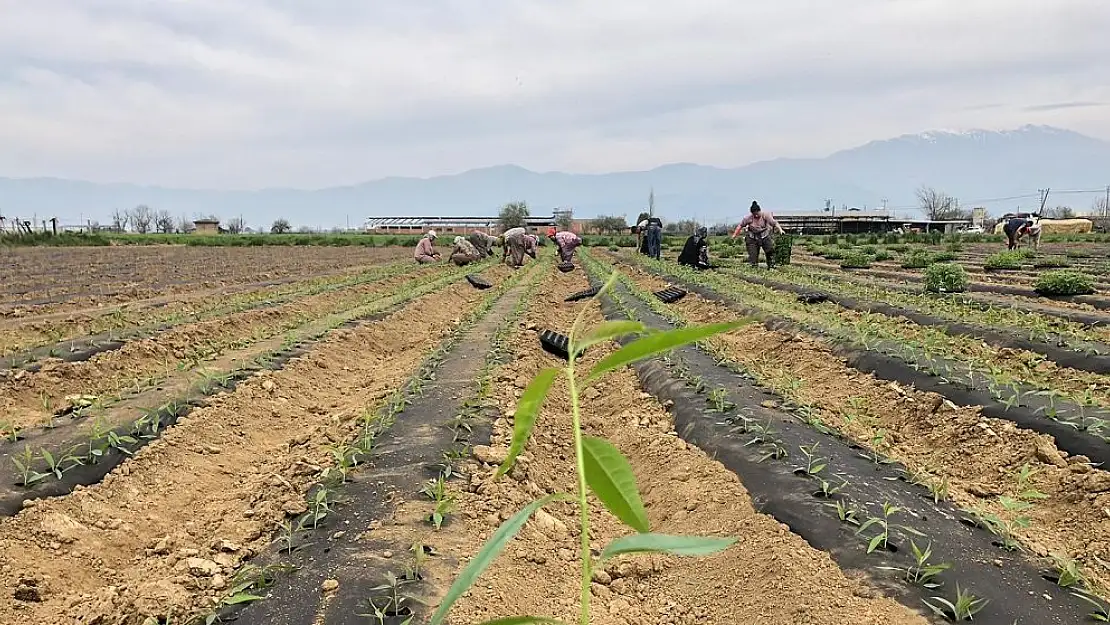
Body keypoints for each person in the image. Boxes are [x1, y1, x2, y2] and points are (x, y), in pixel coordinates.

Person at [732, 201, 784, 269]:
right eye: (754, 214)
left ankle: (771, 265)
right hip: (752, 238)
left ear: (760, 211)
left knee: (770, 251)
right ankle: (754, 267)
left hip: (764, 236)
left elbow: (774, 223)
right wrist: (734, 235)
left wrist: (780, 230)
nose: (756, 216)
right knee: (753, 255)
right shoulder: (748, 218)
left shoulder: (765, 215)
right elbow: (740, 225)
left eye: (757, 214)